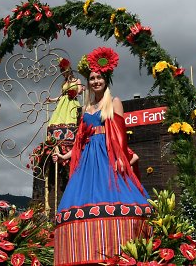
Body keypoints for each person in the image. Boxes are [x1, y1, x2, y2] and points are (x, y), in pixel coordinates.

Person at [52, 47, 151, 265]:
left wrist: (120, 157)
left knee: (114, 197)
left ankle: (119, 251)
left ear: (106, 80)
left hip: (106, 155)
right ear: (88, 82)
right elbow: (80, 140)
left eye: (99, 77)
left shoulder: (113, 102)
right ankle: (91, 253)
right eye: (92, 78)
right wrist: (65, 156)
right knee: (81, 203)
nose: (96, 81)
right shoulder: (86, 107)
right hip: (87, 159)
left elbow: (119, 135)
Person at [46, 57, 83, 144]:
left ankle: (72, 137)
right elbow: (61, 96)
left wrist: (78, 91)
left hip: (72, 102)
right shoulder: (64, 83)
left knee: (73, 119)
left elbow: (80, 91)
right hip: (63, 104)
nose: (63, 73)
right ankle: (57, 138)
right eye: (62, 72)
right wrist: (51, 100)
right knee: (58, 120)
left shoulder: (77, 80)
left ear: (69, 70)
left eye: (64, 71)